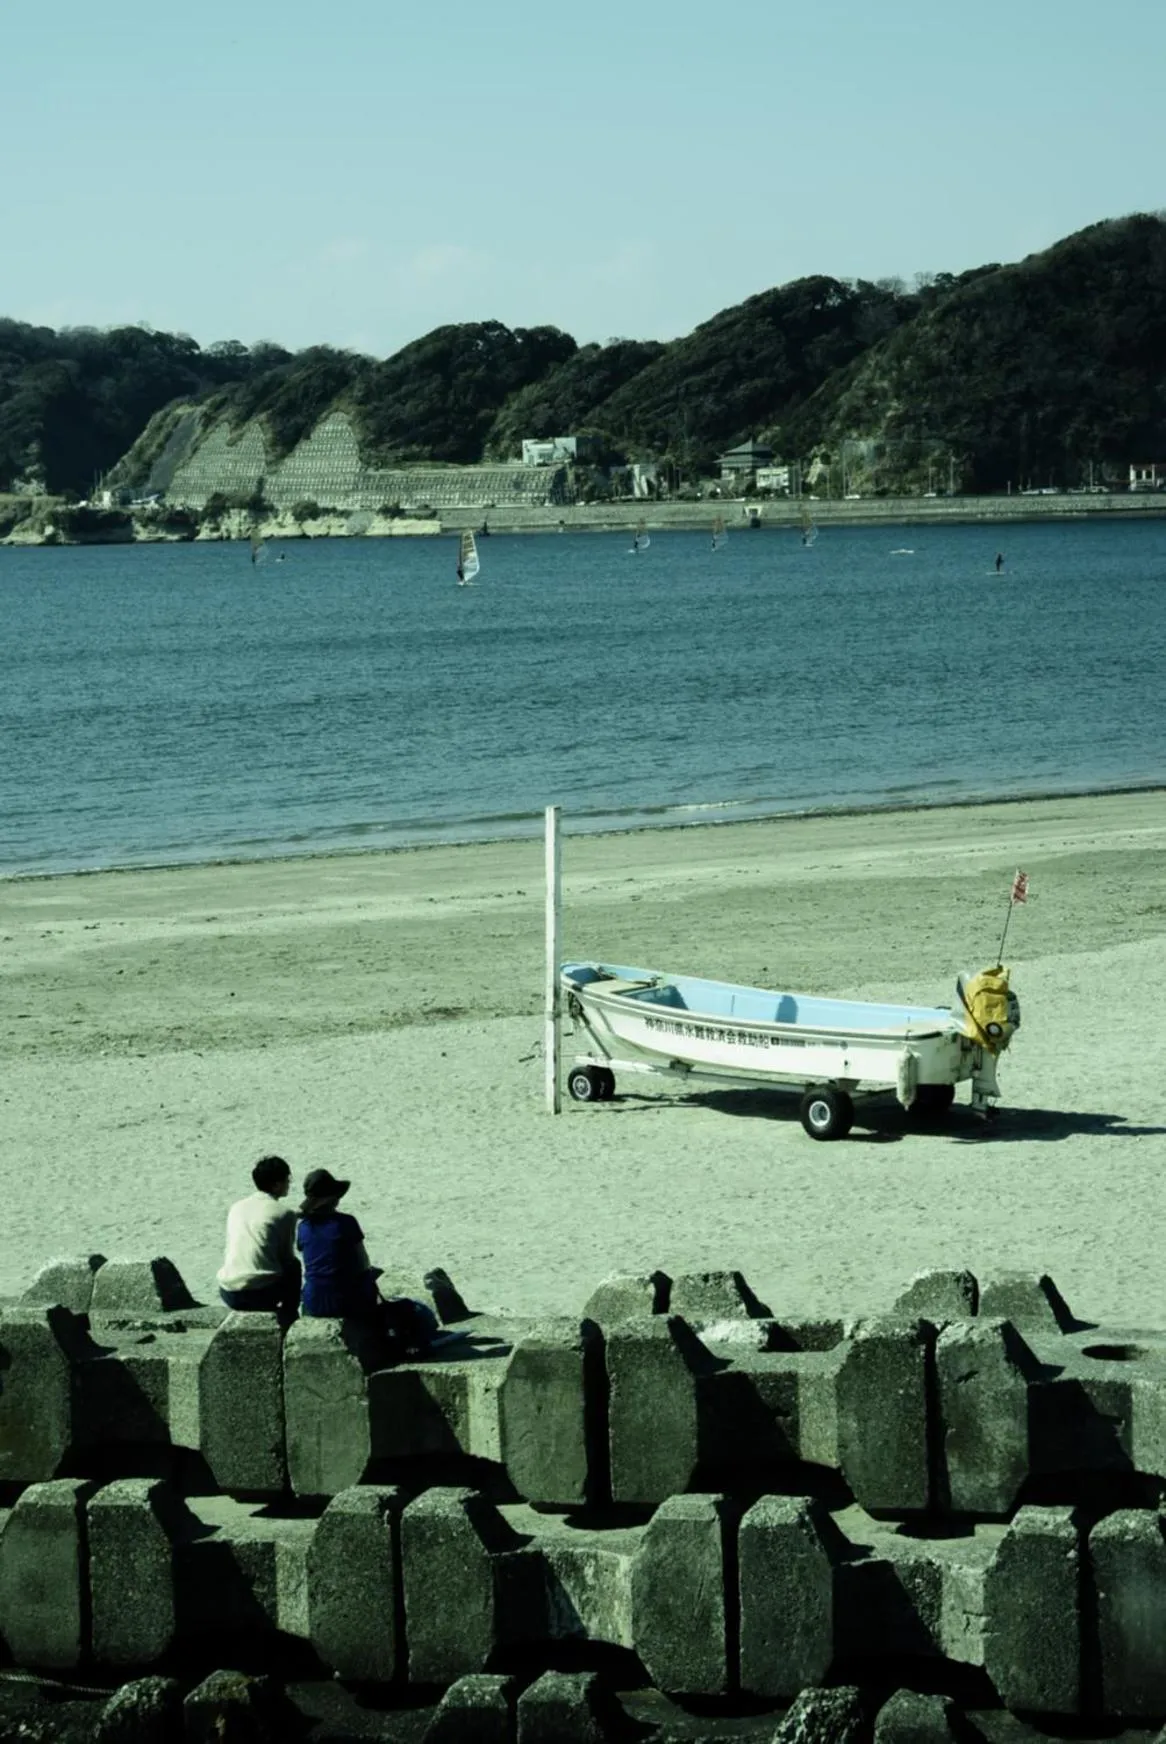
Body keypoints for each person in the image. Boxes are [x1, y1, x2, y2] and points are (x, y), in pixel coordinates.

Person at [296, 1168, 437, 1359]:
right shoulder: (346, 1223)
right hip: (346, 1301)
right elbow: (363, 1262)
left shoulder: (303, 1227)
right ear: (332, 1198)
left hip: (315, 1301)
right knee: (415, 1310)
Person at [217, 1155, 300, 1327]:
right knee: (294, 1266)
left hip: (229, 1291)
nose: (289, 1184)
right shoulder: (284, 1213)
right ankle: (289, 1318)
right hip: (260, 1294)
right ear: (276, 1184)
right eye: (287, 1180)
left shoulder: (237, 1207)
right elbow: (286, 1257)